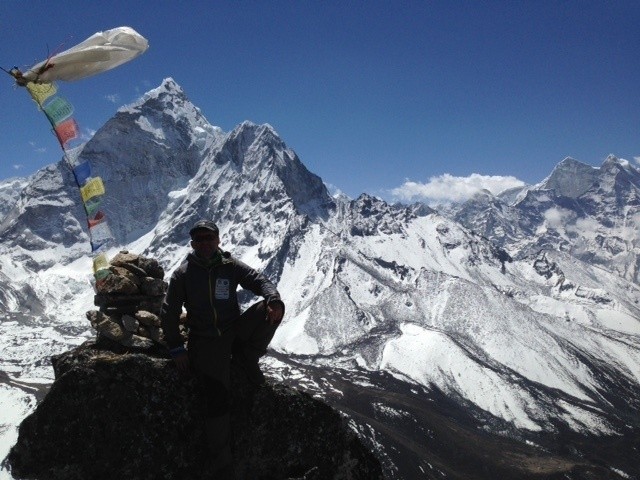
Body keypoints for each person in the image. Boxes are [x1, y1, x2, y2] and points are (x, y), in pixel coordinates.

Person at [160, 219, 285, 476]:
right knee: (217, 396)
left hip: (232, 330)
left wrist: (273, 299)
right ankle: (222, 462)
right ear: (193, 244)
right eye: (200, 239)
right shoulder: (183, 274)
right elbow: (169, 313)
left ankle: (247, 357)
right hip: (205, 341)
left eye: (209, 238)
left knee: (268, 311)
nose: (205, 243)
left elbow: (258, 280)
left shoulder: (230, 266)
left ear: (218, 240)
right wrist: (176, 348)